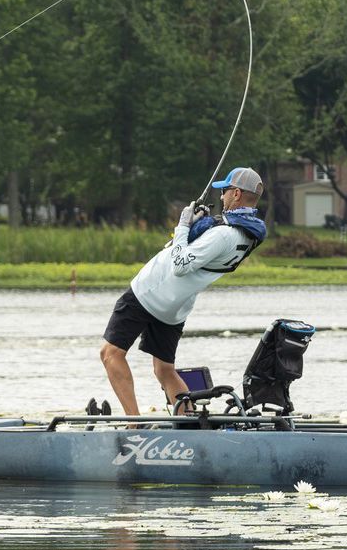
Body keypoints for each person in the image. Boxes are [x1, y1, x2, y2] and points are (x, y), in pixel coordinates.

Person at [99, 166, 267, 416]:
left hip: (149, 293)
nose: (221, 197)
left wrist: (182, 225)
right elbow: (202, 250)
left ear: (236, 194)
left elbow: (180, 265)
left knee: (110, 353)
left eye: (224, 192)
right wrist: (198, 225)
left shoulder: (224, 234)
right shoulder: (247, 235)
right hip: (175, 308)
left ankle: (134, 423)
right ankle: (190, 425)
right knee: (164, 369)